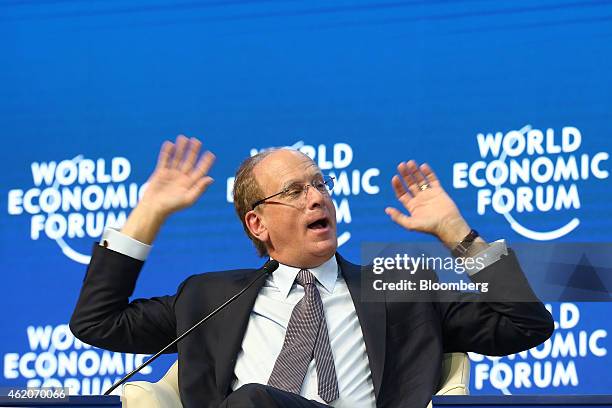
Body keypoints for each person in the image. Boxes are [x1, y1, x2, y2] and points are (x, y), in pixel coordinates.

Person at [70, 135, 553, 408]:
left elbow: (525, 326)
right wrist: (148, 214)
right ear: (256, 222)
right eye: (296, 190)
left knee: (253, 403)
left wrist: (456, 233)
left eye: (320, 184)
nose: (317, 197)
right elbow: (96, 323)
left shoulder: (397, 284)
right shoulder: (211, 296)